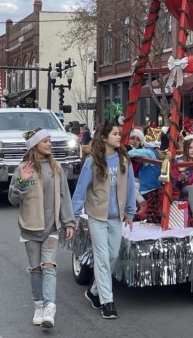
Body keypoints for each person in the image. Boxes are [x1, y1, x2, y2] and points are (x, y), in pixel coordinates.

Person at [8, 127, 75, 329]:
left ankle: (49, 307)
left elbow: (65, 197)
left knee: (49, 267)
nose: (49, 144)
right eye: (45, 141)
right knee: (35, 269)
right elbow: (12, 199)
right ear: (34, 145)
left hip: (51, 227)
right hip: (30, 227)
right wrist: (22, 181)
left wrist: (69, 222)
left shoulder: (57, 168)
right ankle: (38, 306)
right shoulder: (23, 169)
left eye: (49, 140)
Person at [71, 120, 136, 320]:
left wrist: (130, 212)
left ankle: (93, 292)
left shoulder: (124, 160)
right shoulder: (93, 161)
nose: (119, 137)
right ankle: (107, 302)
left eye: (120, 134)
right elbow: (81, 189)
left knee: (112, 255)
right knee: (101, 256)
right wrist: (73, 216)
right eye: (115, 133)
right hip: (97, 215)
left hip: (116, 217)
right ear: (105, 137)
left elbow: (131, 186)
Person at [127, 128, 163, 222]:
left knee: (127, 184)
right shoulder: (153, 152)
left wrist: (127, 150)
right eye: (132, 138)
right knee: (129, 181)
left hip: (149, 185)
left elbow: (132, 153)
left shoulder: (149, 152)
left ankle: (142, 203)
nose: (134, 141)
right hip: (147, 182)